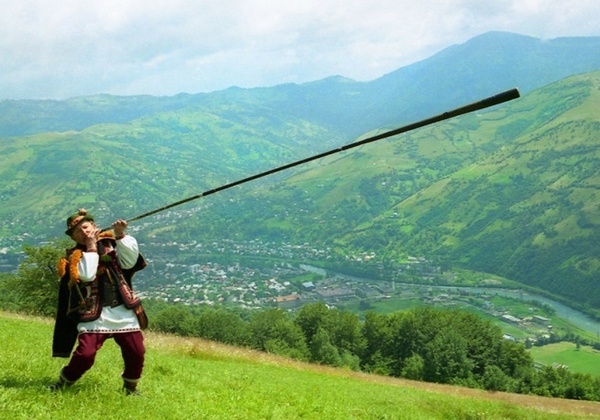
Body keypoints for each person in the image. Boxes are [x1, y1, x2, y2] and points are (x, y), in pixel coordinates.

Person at [50, 209, 148, 395]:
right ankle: (64, 381)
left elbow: (129, 263)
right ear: (74, 238)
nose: (84, 232)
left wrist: (120, 235)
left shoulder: (112, 243)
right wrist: (92, 247)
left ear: (94, 226)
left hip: (123, 308)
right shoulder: (74, 256)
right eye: (78, 232)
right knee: (85, 355)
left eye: (86, 227)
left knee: (136, 351)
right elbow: (87, 275)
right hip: (93, 312)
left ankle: (130, 388)